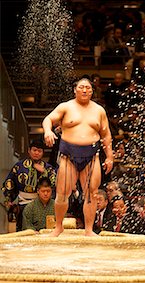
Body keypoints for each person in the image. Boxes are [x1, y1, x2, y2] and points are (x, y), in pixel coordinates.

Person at [42, 78, 114, 236]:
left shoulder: (99, 110)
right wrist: (48, 131)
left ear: (92, 91)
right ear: (75, 90)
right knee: (62, 192)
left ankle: (89, 229)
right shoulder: (66, 107)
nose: (84, 90)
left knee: (92, 194)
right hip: (69, 155)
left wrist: (109, 156)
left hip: (92, 156)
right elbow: (48, 119)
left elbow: (106, 134)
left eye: (88, 88)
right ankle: (58, 226)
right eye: (81, 87)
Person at [2, 139, 57, 231]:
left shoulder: (48, 168)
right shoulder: (19, 166)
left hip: (42, 204)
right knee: (23, 230)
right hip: (23, 203)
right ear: (29, 150)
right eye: (34, 150)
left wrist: (43, 172)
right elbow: (9, 182)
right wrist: (9, 199)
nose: (36, 153)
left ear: (43, 153)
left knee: (43, 229)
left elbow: (54, 184)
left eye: (39, 151)